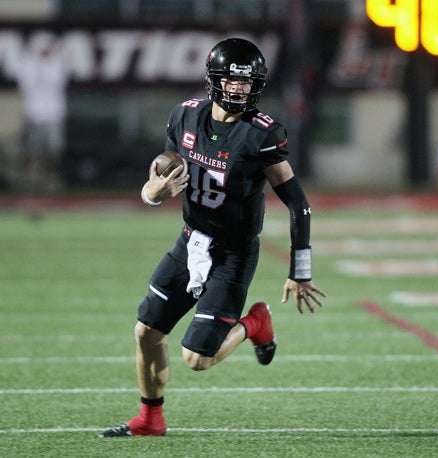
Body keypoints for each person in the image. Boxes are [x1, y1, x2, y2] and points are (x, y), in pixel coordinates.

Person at [100, 38, 326, 438]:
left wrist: (300, 271)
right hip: (191, 241)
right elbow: (157, 180)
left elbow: (298, 204)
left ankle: (256, 323)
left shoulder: (261, 134)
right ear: (213, 79)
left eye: (247, 82)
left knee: (198, 358)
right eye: (231, 79)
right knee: (147, 329)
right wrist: (151, 195)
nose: (239, 89)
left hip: (233, 254)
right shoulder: (185, 117)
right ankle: (150, 419)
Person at [15, 39, 69, 195]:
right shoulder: (29, 64)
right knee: (31, 150)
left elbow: (60, 81)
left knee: (53, 151)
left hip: (54, 113)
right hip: (35, 114)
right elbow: (26, 84)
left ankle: (46, 180)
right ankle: (25, 181)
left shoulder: (57, 63)